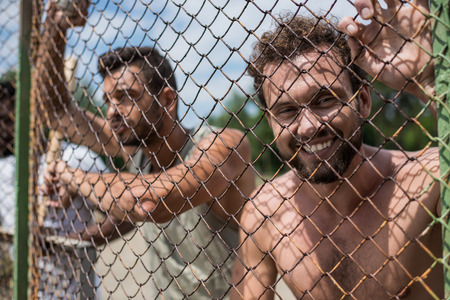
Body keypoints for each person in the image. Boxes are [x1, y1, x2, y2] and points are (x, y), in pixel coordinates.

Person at [37, 0, 255, 298]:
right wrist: (56, 26)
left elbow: (152, 202)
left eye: (126, 96)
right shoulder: (138, 149)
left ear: (167, 99)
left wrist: (68, 175)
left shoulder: (224, 144)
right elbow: (56, 112)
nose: (112, 111)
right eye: (108, 100)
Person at [231, 0, 441, 299]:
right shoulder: (264, 213)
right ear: (271, 122)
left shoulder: (427, 180)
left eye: (325, 100)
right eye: (287, 110)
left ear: (363, 101)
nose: (307, 127)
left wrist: (429, 83)